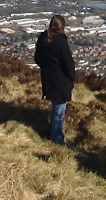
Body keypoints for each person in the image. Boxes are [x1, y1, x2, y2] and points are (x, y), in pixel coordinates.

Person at [33, 15, 76, 145]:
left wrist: (47, 68)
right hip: (61, 81)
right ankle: (56, 138)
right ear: (62, 27)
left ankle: (54, 133)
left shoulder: (43, 38)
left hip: (48, 78)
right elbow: (68, 63)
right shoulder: (61, 42)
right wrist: (72, 77)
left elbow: (37, 58)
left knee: (57, 107)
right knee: (59, 109)